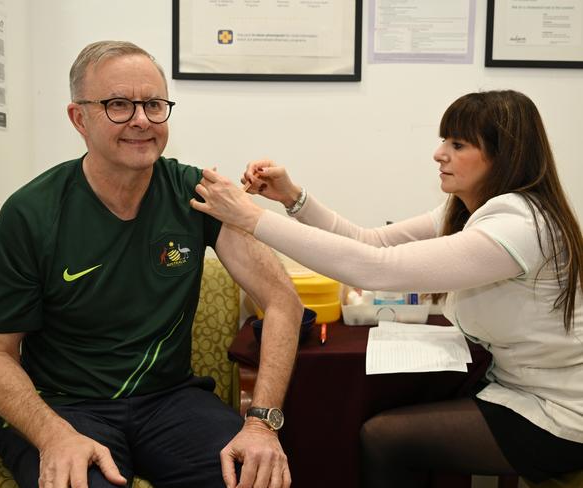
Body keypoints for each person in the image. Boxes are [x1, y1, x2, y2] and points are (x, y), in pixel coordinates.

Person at [190, 90, 583, 486]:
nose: (439, 153)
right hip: (517, 389)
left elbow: (377, 270)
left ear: (504, 155)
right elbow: (372, 242)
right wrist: (293, 198)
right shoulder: (468, 211)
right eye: (444, 140)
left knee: (383, 438)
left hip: (560, 412)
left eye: (458, 144)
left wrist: (251, 217)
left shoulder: (519, 224)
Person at [0, 40, 303, 488]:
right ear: (79, 118)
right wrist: (53, 435)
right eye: (118, 105)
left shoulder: (196, 193)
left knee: (255, 478)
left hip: (171, 402)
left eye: (153, 104)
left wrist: (261, 423)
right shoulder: (31, 213)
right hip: (65, 406)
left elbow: (283, 300)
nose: (142, 120)